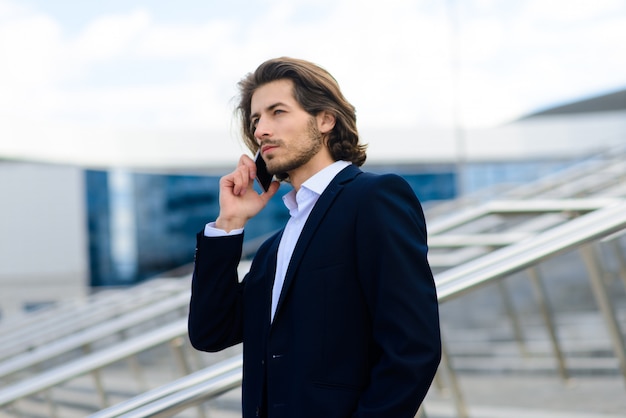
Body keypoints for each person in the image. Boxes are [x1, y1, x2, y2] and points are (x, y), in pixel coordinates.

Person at [188, 57, 441, 418]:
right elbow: (210, 332)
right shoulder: (276, 247)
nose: (260, 130)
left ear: (324, 119)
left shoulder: (374, 198)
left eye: (277, 112)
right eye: (256, 119)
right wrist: (229, 221)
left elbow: (413, 347)